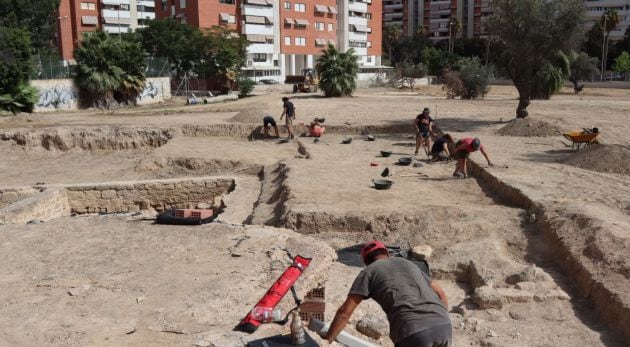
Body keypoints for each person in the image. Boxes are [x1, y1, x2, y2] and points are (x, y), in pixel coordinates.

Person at [323, 241, 452, 347]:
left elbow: (345, 313)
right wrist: (440, 318)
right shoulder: (408, 263)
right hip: (443, 326)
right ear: (388, 253)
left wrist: (327, 340)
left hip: (412, 332)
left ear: (365, 261)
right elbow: (440, 293)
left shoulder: (369, 272)